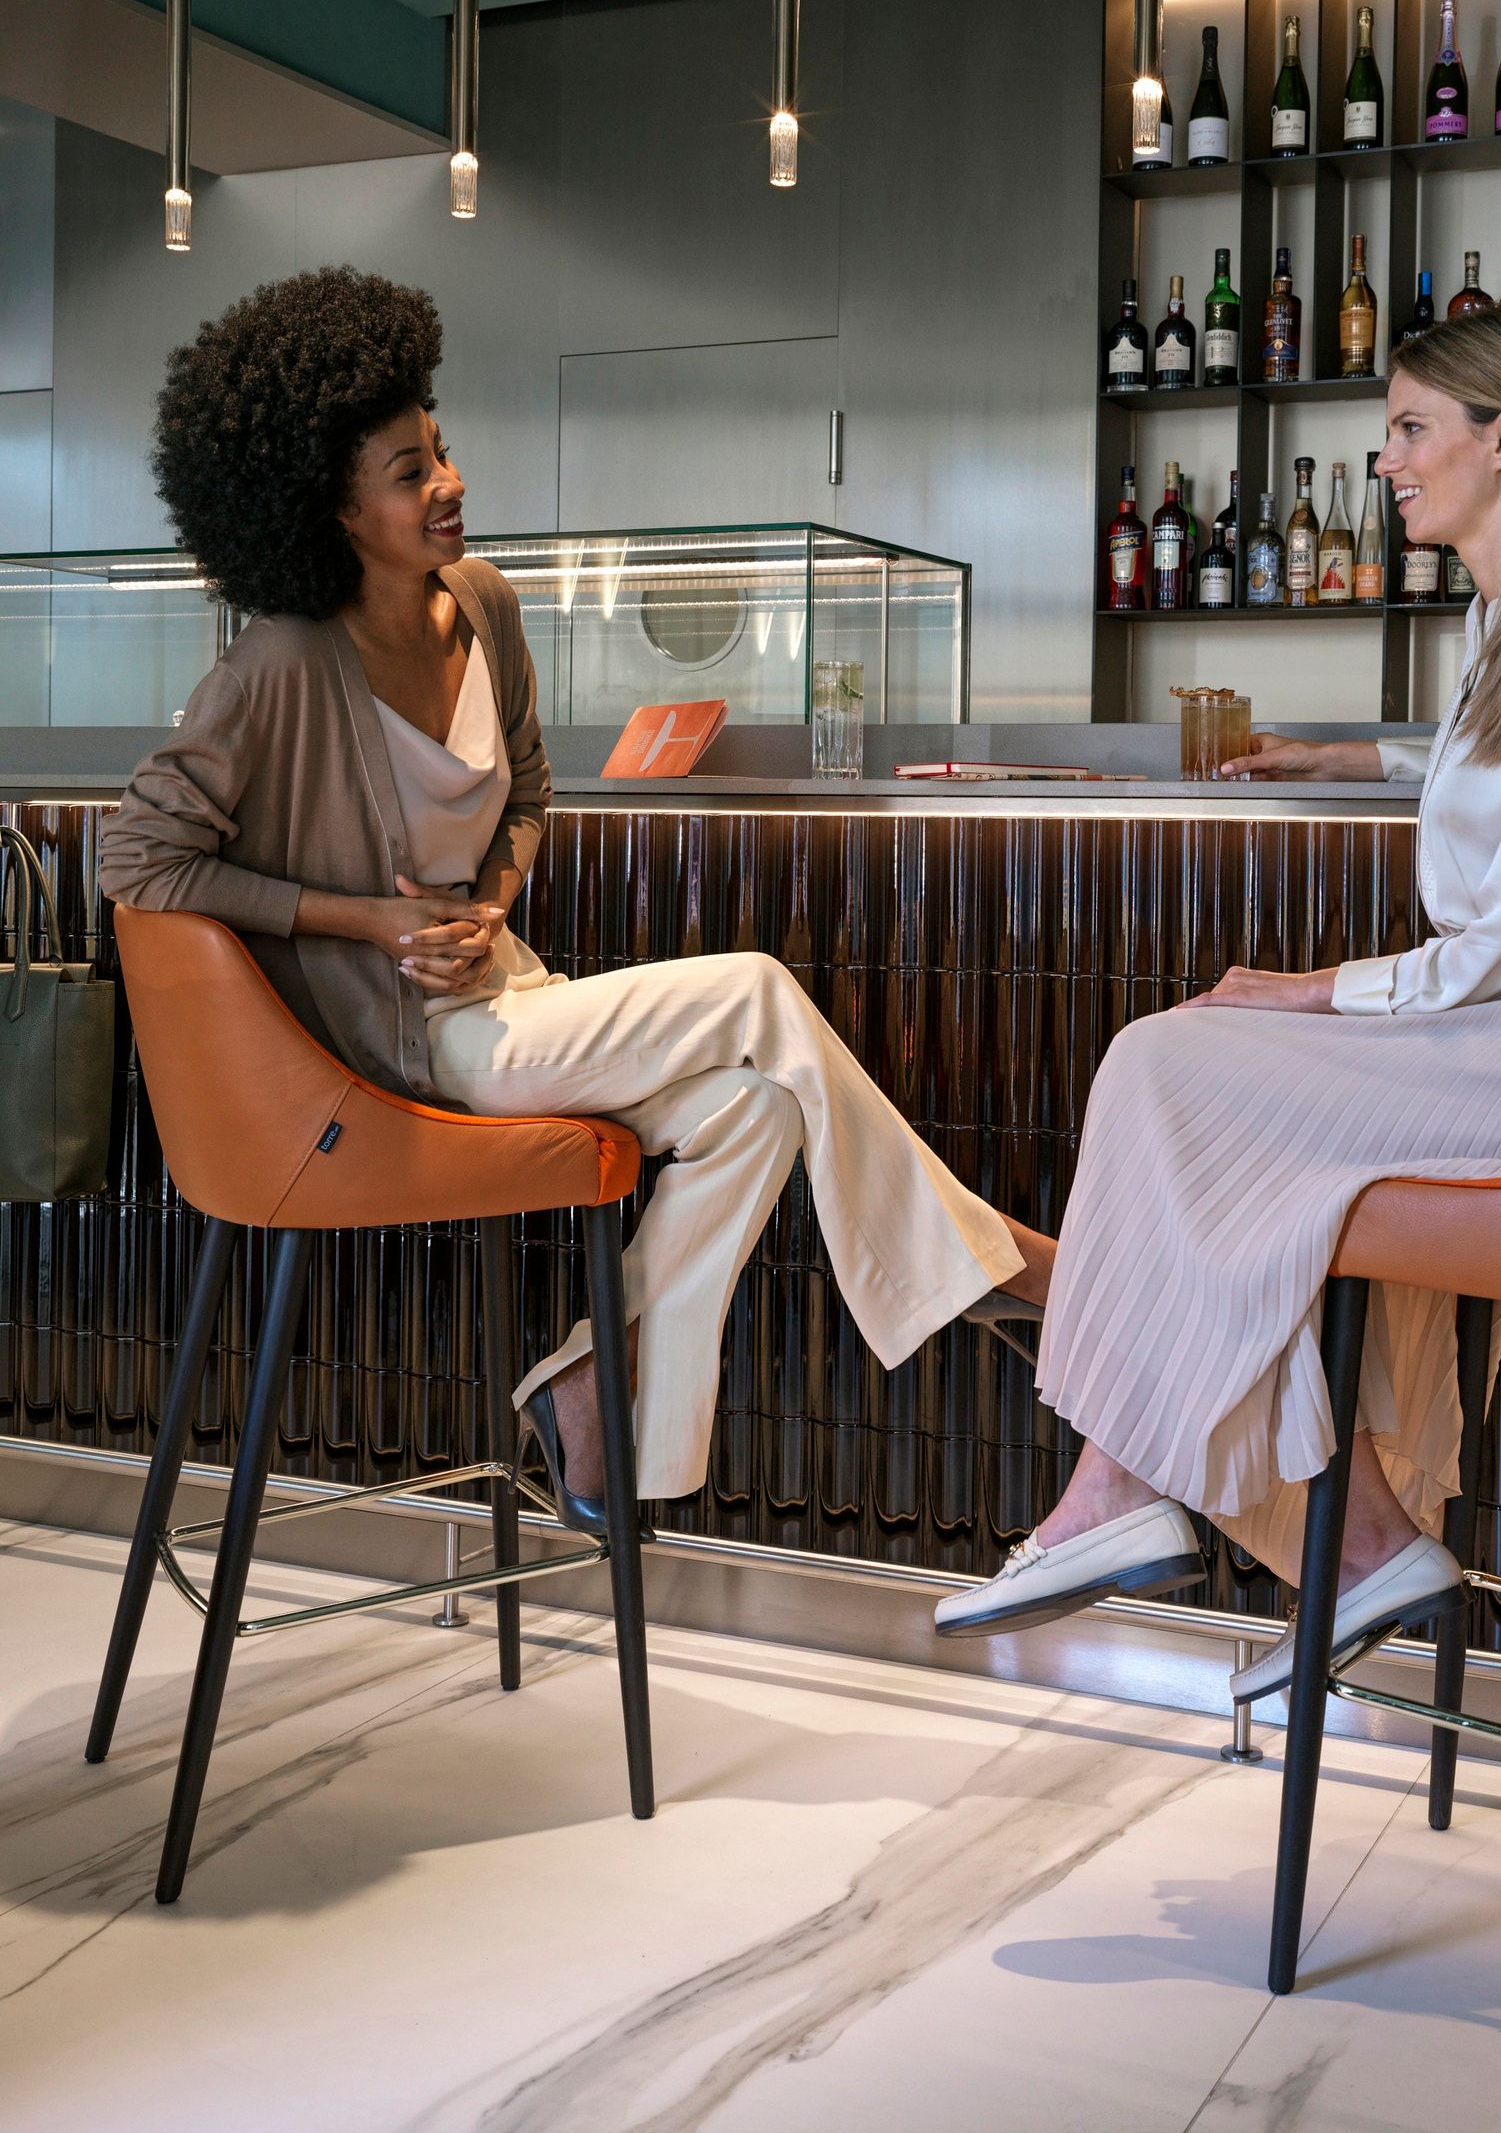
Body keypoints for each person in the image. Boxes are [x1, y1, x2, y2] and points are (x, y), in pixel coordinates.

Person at [99, 267, 1055, 1527]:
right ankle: (985, 1263)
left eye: (441, 452)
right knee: (761, 991)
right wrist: (366, 920)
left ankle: (593, 1388)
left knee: (753, 1109)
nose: (446, 484)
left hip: (504, 995)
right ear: (332, 509)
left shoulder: (484, 605)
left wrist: (491, 898)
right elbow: (141, 858)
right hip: (385, 1044)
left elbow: (531, 785)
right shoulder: (283, 659)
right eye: (407, 471)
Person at [934, 302, 1501, 1698]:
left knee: (1165, 1065)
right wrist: (1363, 753)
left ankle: (1169, 1496)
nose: (1385, 461)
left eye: (1411, 429)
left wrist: (1312, 991)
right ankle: (1334, 1532)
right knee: (1189, 1083)